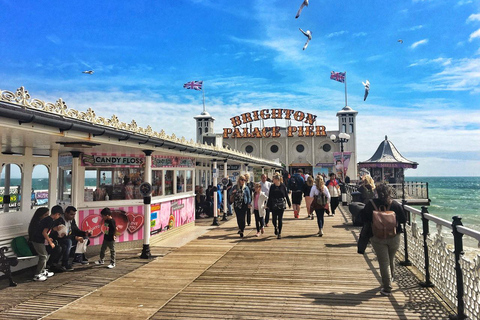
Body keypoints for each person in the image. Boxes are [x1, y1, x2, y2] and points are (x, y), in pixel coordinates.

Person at [361, 183, 406, 296]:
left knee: (384, 262)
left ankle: (387, 288)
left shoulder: (371, 204)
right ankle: (390, 280)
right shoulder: (395, 205)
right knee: (391, 259)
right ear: (389, 192)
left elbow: (364, 219)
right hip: (394, 236)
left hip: (377, 236)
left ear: (376, 192)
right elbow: (403, 220)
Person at [51, 205, 91, 270]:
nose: (73, 216)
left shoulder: (72, 220)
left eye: (74, 214)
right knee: (68, 242)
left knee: (85, 239)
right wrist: (75, 237)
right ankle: (65, 262)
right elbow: (61, 235)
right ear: (66, 213)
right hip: (60, 239)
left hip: (70, 237)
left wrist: (85, 233)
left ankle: (78, 257)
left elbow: (76, 230)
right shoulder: (60, 220)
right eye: (71, 214)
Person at [28, 207, 62, 281]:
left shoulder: (48, 220)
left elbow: (44, 232)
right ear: (57, 214)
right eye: (59, 215)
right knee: (43, 256)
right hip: (37, 240)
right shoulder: (49, 221)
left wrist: (48, 239)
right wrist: (50, 242)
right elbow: (44, 232)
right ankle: (38, 274)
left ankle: (43, 270)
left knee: (45, 254)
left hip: (40, 240)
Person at [266, 174, 291, 239]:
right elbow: (270, 196)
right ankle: (275, 227)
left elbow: (286, 195)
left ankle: (279, 233)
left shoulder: (282, 186)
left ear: (277, 180)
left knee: (280, 219)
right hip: (274, 204)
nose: (273, 180)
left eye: (273, 179)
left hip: (281, 204)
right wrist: (268, 205)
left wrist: (289, 203)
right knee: (274, 219)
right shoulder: (272, 186)